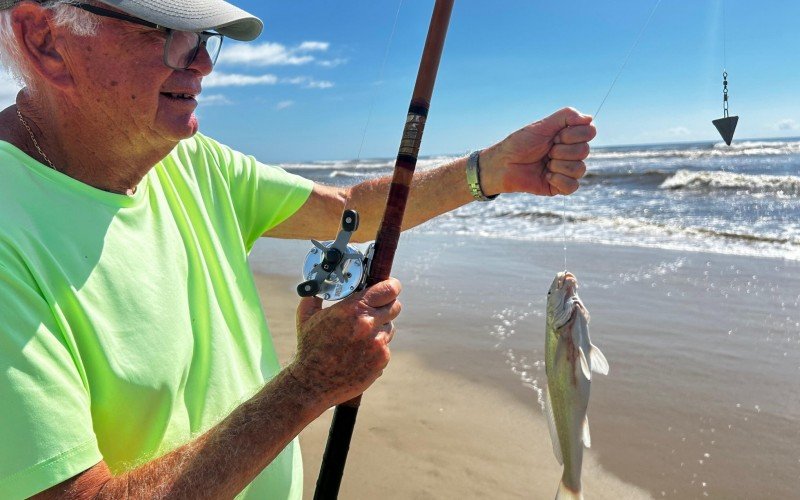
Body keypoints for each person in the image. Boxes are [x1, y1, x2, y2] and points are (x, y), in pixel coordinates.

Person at [0, 0, 596, 498]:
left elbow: (348, 211)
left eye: (204, 36)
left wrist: (489, 170)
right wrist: (309, 386)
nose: (203, 61)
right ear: (45, 38)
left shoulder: (189, 159)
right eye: (169, 33)